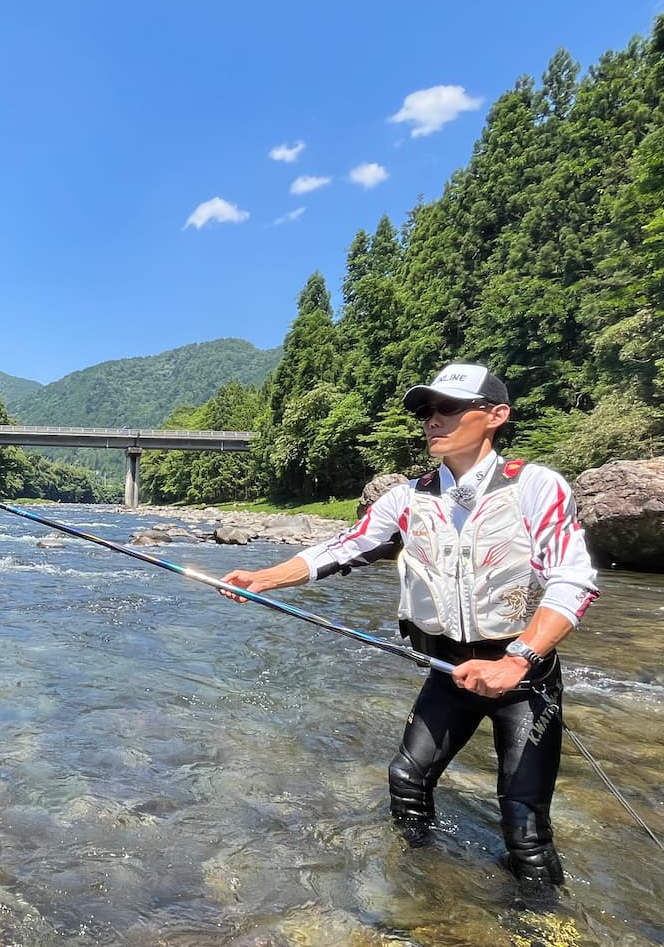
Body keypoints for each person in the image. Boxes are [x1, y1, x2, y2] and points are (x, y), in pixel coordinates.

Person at [221, 363, 599, 885]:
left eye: (448, 408)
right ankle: (423, 890)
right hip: (447, 669)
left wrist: (519, 660)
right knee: (406, 779)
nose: (432, 420)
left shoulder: (537, 486)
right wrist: (263, 577)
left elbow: (573, 581)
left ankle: (543, 944)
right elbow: (344, 547)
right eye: (426, 411)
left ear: (496, 416)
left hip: (524, 680)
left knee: (525, 826)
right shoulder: (405, 497)